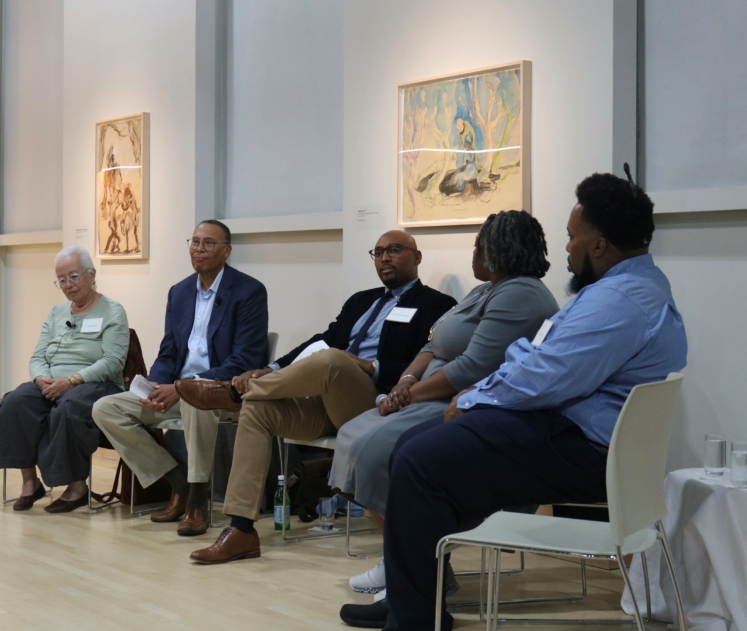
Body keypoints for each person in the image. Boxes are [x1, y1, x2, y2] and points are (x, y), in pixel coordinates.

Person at [339, 172, 688, 629]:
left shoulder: (618, 300)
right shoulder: (631, 287)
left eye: (571, 237)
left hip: (582, 444)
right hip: (578, 430)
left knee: (420, 460)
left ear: (599, 246)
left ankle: (415, 616)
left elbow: (545, 376)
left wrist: (471, 399)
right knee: (415, 449)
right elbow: (541, 364)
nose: (566, 248)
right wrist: (479, 393)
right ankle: (416, 596)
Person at [177, 229, 457, 564]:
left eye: (394, 250)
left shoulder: (437, 305)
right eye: (378, 252)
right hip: (328, 403)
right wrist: (270, 367)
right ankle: (241, 530)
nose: (384, 258)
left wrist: (370, 366)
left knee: (332, 359)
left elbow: (428, 363)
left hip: (376, 406)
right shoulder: (361, 300)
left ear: (416, 256)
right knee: (258, 408)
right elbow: (322, 339)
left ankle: (231, 396)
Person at [334, 211, 558, 597]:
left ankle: (418, 568)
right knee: (351, 435)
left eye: (478, 244)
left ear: (496, 250)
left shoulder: (521, 293)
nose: (473, 252)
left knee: (374, 450)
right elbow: (431, 343)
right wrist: (404, 381)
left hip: (463, 401)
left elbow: (473, 367)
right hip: (425, 389)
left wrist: (406, 395)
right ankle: (402, 560)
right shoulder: (485, 289)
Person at [92, 220, 268, 537]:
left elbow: (245, 360)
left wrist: (184, 387)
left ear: (226, 250)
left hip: (221, 392)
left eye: (208, 243)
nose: (198, 249)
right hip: (176, 390)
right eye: (194, 242)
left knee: (195, 401)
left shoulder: (249, 291)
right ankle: (178, 482)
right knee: (106, 407)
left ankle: (198, 499)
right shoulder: (180, 292)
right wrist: (156, 385)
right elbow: (169, 352)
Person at [0, 246, 129, 513]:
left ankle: (77, 487)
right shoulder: (56, 314)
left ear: (91, 274)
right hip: (52, 384)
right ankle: (30, 483)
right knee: (15, 403)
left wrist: (72, 380)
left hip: (95, 385)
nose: (68, 285)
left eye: (74, 277)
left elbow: (113, 362)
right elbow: (37, 356)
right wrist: (40, 377)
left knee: (68, 409)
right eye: (61, 280)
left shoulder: (112, 311)